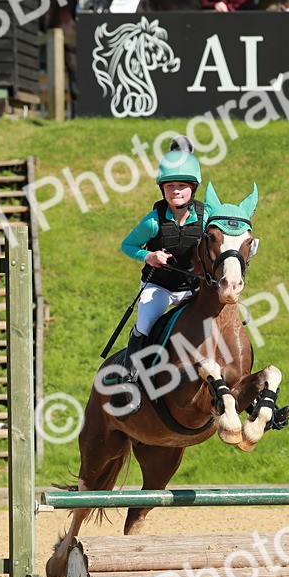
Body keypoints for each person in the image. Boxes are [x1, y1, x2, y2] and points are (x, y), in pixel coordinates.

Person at [114, 136, 206, 409]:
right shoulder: (153, 221)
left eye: (181, 186)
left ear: (193, 189)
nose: (175, 191)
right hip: (161, 287)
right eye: (170, 186)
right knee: (145, 321)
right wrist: (149, 256)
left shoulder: (207, 215)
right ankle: (130, 379)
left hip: (194, 287)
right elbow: (127, 245)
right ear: (162, 189)